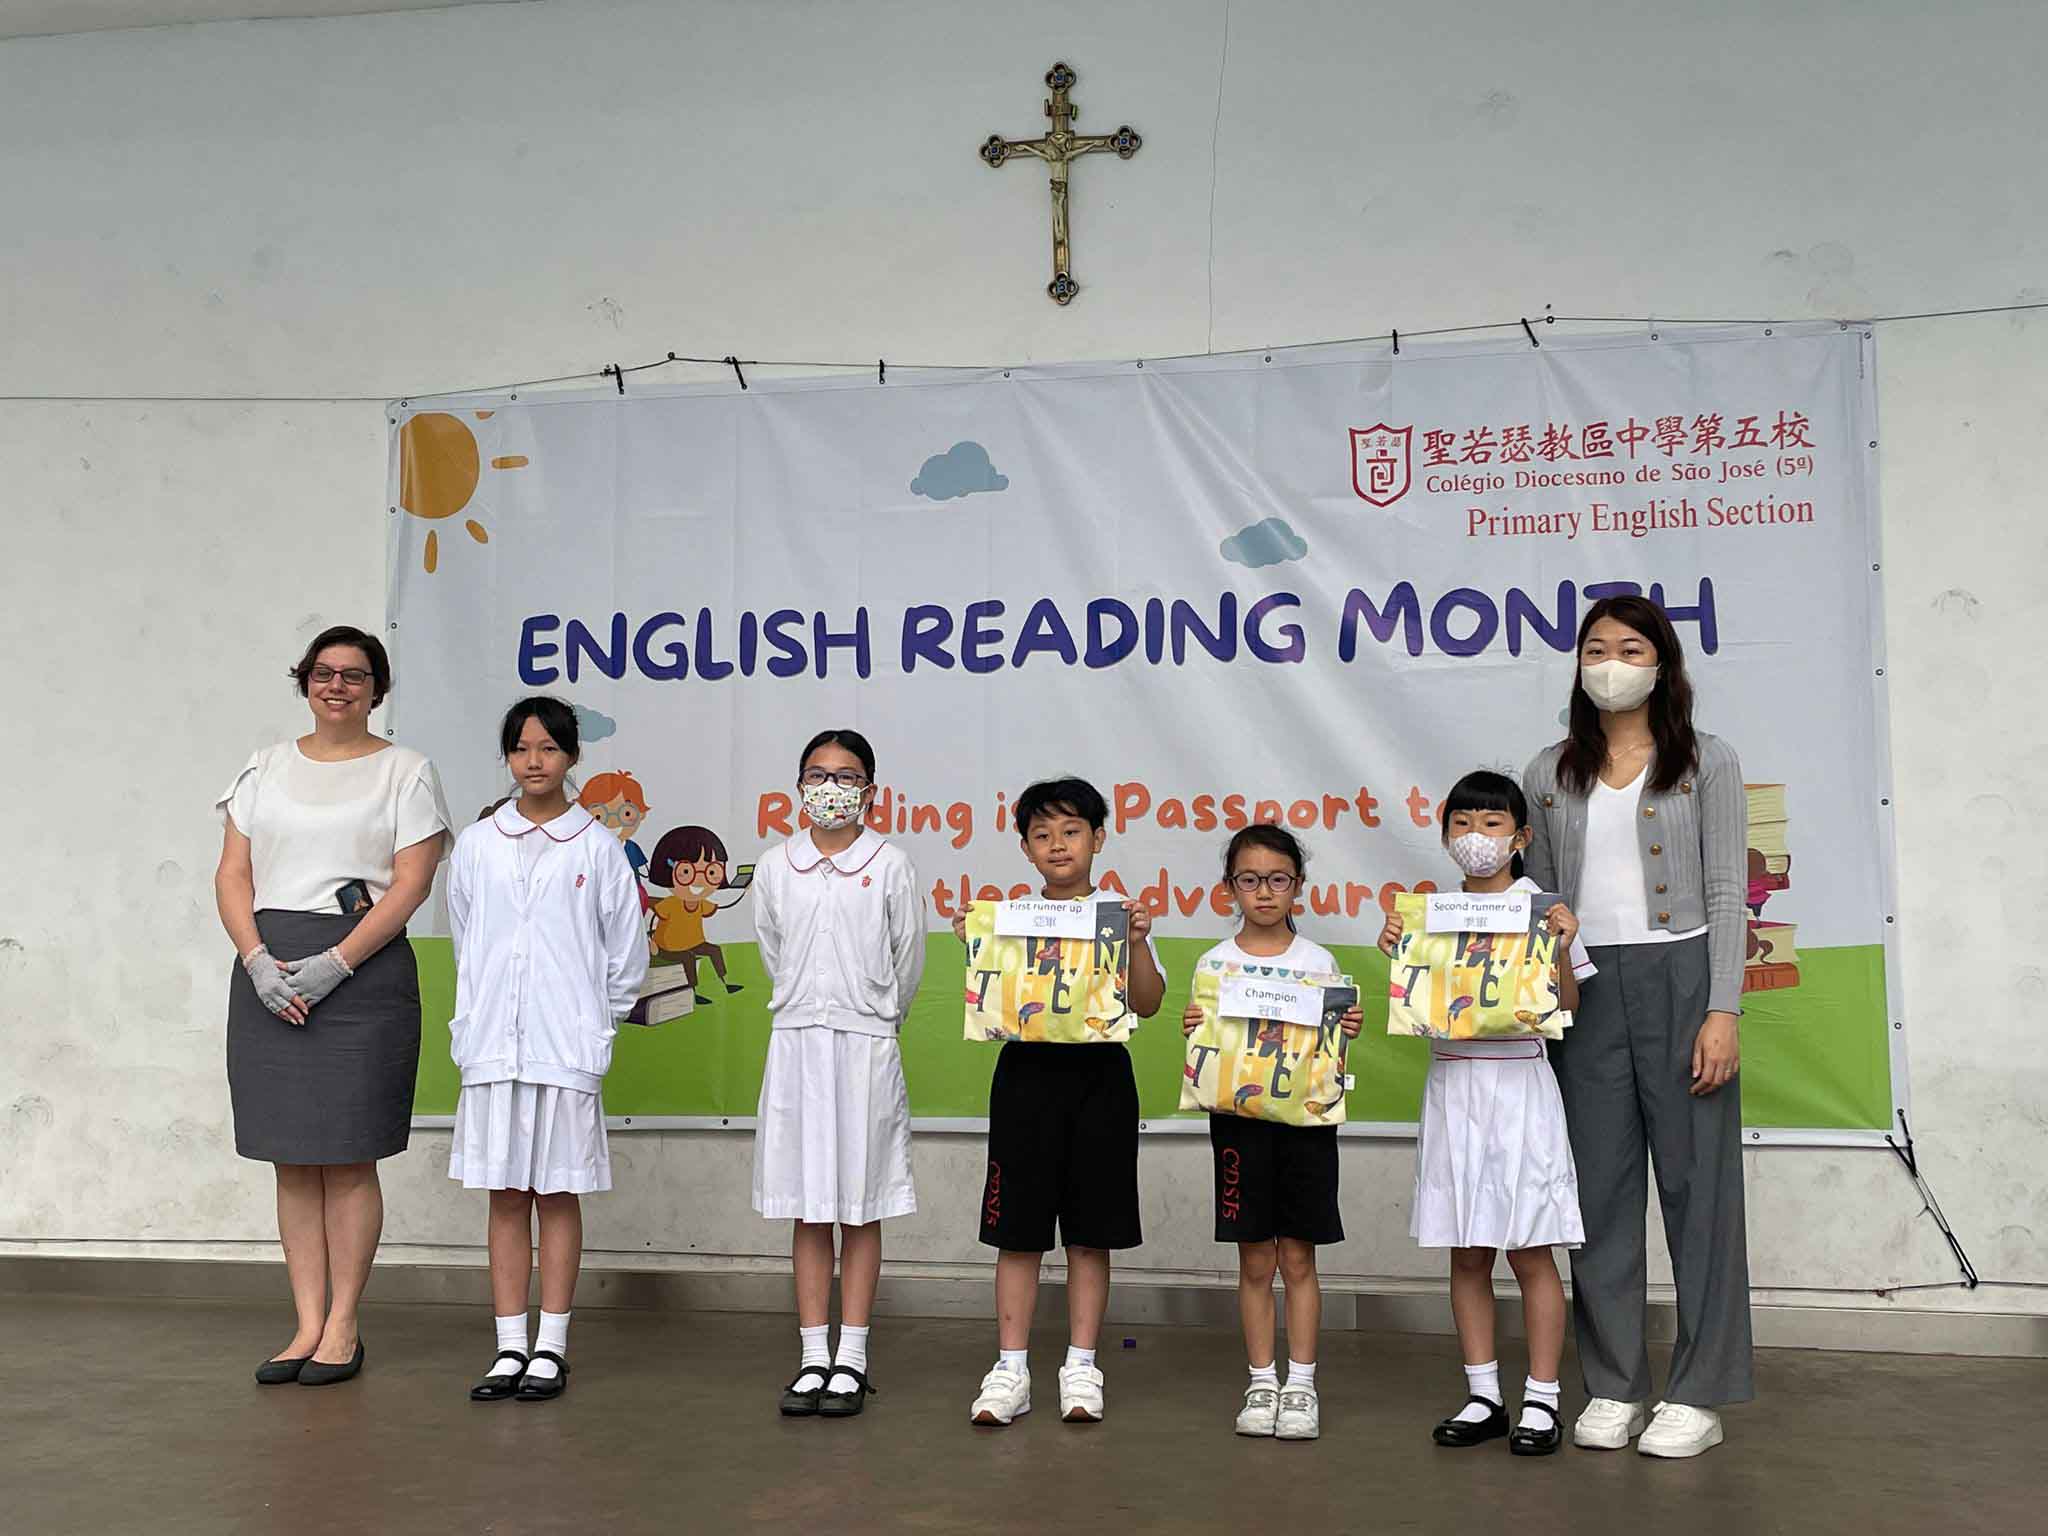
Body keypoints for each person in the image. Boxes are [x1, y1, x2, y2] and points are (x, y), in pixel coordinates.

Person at [1522, 593, 1753, 1459]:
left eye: (1629, 647)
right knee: (1599, 1191)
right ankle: (1615, 1383)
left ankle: (1699, 1392)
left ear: (1661, 663)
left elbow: (1727, 890)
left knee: (1698, 1191)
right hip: (1588, 988)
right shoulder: (1549, 772)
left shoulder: (1706, 760)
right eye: (1595, 648)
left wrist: (1722, 1009)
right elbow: (1542, 900)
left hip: (1683, 977)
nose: (1610, 663)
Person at [213, 625, 452, 1386]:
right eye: (324, 672)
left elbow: (412, 882)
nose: (337, 686)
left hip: (363, 972)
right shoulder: (264, 766)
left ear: (377, 689)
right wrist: (257, 960)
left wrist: (336, 964)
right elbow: (233, 874)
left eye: (354, 675)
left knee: (348, 1156)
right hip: (269, 969)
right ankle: (306, 1323)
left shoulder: (406, 771)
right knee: (290, 1157)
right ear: (305, 681)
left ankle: (344, 1324)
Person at [1378, 771, 1592, 1457]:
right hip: (1453, 1085)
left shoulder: (1540, 909)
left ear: (1520, 836)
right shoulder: (1432, 915)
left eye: (1493, 823)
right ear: (1446, 837)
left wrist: (1562, 948)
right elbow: (1421, 999)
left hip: (1521, 1086)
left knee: (1530, 1248)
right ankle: (1483, 1395)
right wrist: (1400, 950)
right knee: (1467, 1250)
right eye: (1463, 824)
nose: (1477, 837)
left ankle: (1542, 1399)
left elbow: (1568, 1007)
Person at [446, 697, 647, 1403]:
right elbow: (469, 942)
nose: (534, 762)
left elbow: (626, 956)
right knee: (505, 1195)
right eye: (521, 748)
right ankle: (509, 1346)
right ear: (507, 756)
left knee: (558, 1193)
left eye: (549, 748)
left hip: (566, 1049)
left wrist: (591, 1024)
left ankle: (551, 1347)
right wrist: (481, 1018)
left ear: (571, 756)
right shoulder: (477, 845)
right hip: (493, 1047)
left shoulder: (598, 847)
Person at [958, 777, 1166, 1428]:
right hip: (1025, 1078)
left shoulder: (1118, 915)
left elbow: (1149, 1002)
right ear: (1025, 848)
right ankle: (1010, 1369)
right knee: (1016, 1234)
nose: (1057, 845)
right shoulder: (1010, 918)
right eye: (1042, 834)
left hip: (1101, 1080)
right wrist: (978, 942)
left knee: (1089, 1234)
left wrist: (1136, 941)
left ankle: (1081, 1365)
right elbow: (994, 997)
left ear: (1098, 839)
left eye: (1071, 831)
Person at [751, 729, 926, 1419]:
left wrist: (872, 1016)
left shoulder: (891, 864)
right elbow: (773, 949)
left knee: (861, 1201)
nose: (831, 788)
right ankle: (811, 1355)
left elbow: (907, 961)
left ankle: (851, 1355)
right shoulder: (776, 866)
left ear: (869, 791)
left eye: (846, 776)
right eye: (818, 775)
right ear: (799, 787)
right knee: (808, 1203)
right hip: (798, 1044)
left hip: (865, 1046)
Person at [1181, 825, 1361, 1442]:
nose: (1264, 892)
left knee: (1299, 1256)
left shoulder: (1319, 963)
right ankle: (1261, 1381)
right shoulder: (1214, 965)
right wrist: (1194, 1027)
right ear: (1229, 887)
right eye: (1250, 880)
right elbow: (1207, 1044)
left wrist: (1345, 1026)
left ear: (1298, 886)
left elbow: (1329, 1046)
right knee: (1255, 1257)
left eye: (1278, 879)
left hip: (1306, 1128)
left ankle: (1302, 1385)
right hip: (1239, 1128)